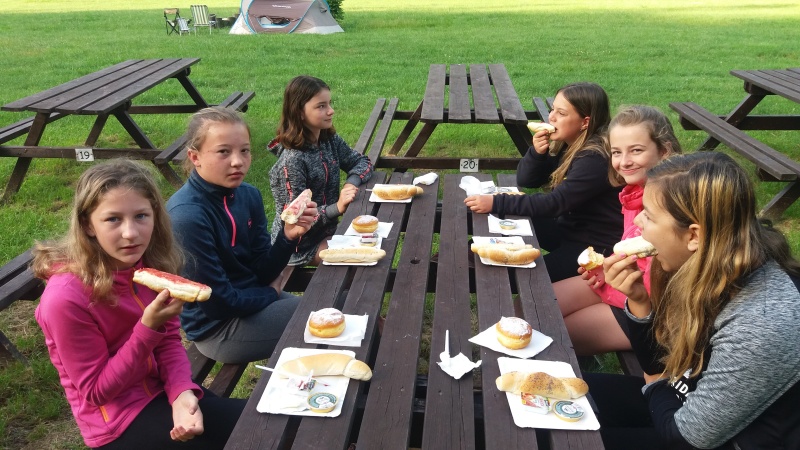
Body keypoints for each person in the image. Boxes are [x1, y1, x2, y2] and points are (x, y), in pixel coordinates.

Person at [588, 152, 800, 449]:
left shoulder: (761, 322)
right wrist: (639, 301)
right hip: (683, 398)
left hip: (719, 438)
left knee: (563, 441)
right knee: (560, 395)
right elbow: (658, 361)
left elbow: (686, 436)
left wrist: (656, 384)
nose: (637, 220)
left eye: (649, 214)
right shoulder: (699, 264)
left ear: (694, 235)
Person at [32, 160, 246, 449]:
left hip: (160, 389)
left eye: (141, 216)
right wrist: (148, 327)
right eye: (113, 219)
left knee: (262, 422)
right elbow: (96, 392)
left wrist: (182, 392)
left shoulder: (145, 267)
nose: (130, 233)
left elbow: (168, 340)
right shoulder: (65, 298)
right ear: (88, 225)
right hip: (117, 422)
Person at [167, 107, 316, 364]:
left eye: (244, 150)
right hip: (219, 329)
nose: (237, 161)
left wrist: (287, 237)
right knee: (332, 313)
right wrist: (270, 294)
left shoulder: (248, 195)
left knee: (337, 307)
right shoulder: (187, 216)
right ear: (195, 157)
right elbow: (217, 304)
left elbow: (261, 270)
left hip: (251, 299)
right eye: (223, 152)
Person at [553, 105, 682, 356]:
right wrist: (608, 268)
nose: (624, 162)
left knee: (556, 334)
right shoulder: (633, 193)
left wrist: (618, 279)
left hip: (653, 306)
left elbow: (664, 283)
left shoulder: (673, 203)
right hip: (621, 282)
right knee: (532, 305)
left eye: (636, 150)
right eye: (616, 152)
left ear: (664, 151)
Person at [464, 82, 622, 282]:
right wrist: (537, 154)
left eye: (561, 113)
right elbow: (526, 180)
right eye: (552, 109)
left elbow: (554, 203)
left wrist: (496, 201)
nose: (551, 117)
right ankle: (463, 260)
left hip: (593, 247)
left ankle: (479, 278)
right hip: (569, 230)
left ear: (585, 122)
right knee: (507, 216)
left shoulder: (594, 158)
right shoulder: (571, 144)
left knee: (530, 279)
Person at [269, 75, 373, 268]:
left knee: (373, 240)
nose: (331, 111)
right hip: (299, 247)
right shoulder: (292, 161)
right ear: (299, 112)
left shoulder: (328, 140)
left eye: (329, 104)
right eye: (321, 106)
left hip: (327, 232)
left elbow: (361, 161)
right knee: (360, 259)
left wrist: (351, 182)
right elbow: (295, 220)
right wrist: (337, 208)